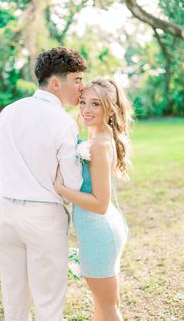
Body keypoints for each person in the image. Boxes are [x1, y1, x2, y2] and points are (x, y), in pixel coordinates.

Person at [0, 47, 87, 321]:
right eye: (77, 80)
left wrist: (6, 201)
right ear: (56, 83)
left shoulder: (8, 112)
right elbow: (73, 183)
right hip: (44, 218)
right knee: (49, 305)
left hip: (5, 214)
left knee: (13, 301)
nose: (82, 87)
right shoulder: (63, 122)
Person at [55, 77, 133, 321]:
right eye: (83, 102)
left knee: (108, 309)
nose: (86, 110)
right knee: (103, 305)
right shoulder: (98, 138)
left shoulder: (99, 144)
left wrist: (62, 189)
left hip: (100, 233)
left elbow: (100, 204)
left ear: (109, 108)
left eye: (95, 104)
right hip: (100, 231)